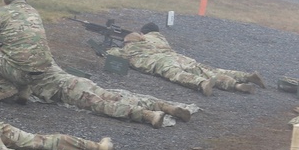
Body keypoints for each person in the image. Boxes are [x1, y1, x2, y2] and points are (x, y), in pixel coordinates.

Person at [105, 22, 265, 95]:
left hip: (160, 62)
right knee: (209, 70)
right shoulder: (155, 38)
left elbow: (111, 53)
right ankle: (242, 79)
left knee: (180, 76)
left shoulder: (128, 50)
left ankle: (206, 84)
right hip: (176, 56)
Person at [30, 62, 196, 127]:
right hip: (77, 80)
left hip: (67, 89)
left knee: (103, 105)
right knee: (115, 97)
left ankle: (149, 115)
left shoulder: (19, 67)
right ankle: (166, 107)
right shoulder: (43, 55)